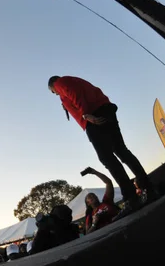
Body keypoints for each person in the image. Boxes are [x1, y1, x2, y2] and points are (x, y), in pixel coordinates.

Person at [47, 75, 154, 220]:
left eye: (54, 92)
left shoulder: (61, 82)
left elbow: (74, 92)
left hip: (93, 117)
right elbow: (75, 93)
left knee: (107, 158)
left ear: (53, 86)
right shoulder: (72, 82)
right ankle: (147, 187)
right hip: (104, 109)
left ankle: (131, 198)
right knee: (121, 151)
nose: (56, 94)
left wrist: (85, 114)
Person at [82, 167, 119, 234]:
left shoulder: (107, 201)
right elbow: (87, 234)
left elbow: (108, 182)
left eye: (93, 195)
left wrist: (95, 172)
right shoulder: (90, 216)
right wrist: (94, 223)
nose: (92, 196)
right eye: (89, 197)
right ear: (88, 203)